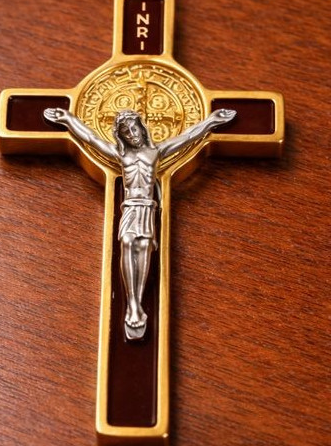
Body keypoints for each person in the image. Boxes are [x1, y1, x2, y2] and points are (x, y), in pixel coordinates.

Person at [43, 105, 235, 340]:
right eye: (126, 132)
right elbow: (91, 138)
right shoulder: (122, 155)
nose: (132, 134)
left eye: (134, 129)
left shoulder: (155, 153)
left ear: (142, 129)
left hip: (147, 206)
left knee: (144, 246)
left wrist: (211, 122)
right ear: (121, 136)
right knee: (127, 243)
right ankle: (132, 305)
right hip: (130, 207)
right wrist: (68, 120)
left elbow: (187, 137)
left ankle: (139, 303)